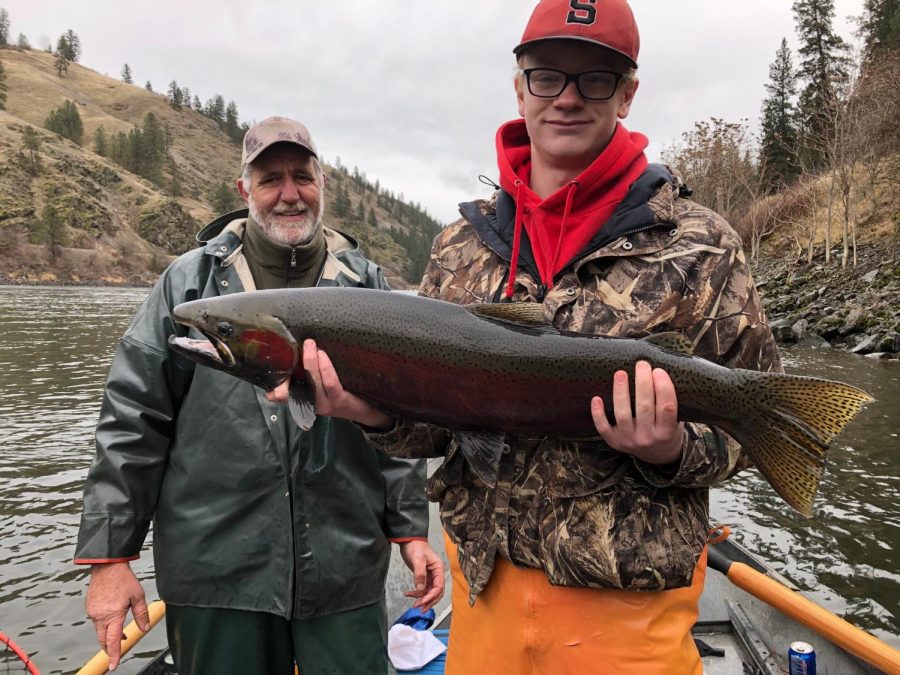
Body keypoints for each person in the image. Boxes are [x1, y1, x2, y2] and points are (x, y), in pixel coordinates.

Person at [273, 1, 782, 673]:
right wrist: (365, 409)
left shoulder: (703, 244)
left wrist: (673, 448)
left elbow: (757, 419)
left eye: (594, 79)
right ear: (520, 86)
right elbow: (434, 428)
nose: (567, 98)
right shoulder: (458, 248)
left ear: (628, 93)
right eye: (547, 76)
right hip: (484, 600)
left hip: (631, 618)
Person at [74, 116, 444, 675]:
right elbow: (133, 418)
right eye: (271, 178)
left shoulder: (366, 285)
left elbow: (397, 420)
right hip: (215, 573)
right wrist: (109, 557)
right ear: (244, 189)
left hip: (344, 569)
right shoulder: (187, 285)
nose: (289, 194)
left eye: (302, 176)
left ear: (324, 185)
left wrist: (411, 531)